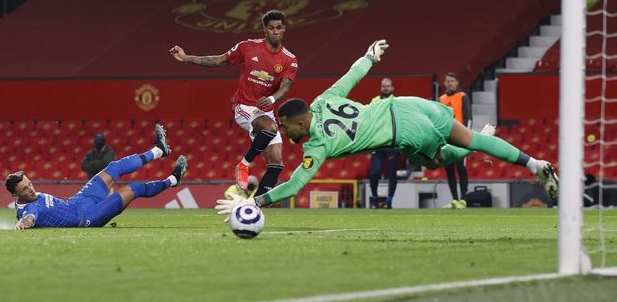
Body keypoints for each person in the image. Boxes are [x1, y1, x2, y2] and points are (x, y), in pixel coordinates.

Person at [216, 40, 559, 215]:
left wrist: (256, 202)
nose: (285, 134)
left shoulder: (317, 145)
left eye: (286, 127)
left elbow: (295, 185)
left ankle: (482, 143)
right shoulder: (322, 100)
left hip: (405, 132)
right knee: (470, 140)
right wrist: (370, 56)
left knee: (437, 161)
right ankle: (535, 164)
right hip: (410, 103)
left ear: (301, 122)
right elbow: (351, 77)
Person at [169, 10, 297, 197]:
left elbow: (286, 86)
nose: (275, 32)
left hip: (265, 110)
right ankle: (243, 165)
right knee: (270, 128)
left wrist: (271, 99)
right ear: (265, 30)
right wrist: (187, 57)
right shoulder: (247, 47)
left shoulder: (289, 59)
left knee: (276, 163)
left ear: (284, 29)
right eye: (271, 28)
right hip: (244, 107)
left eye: (279, 28)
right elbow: (220, 60)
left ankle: (256, 206)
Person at [6, 124, 187, 230]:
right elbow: (29, 217)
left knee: (114, 166)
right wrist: (24, 223)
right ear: (15, 194)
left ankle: (158, 151)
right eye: (24, 189)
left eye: (29, 183)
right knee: (134, 188)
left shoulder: (24, 199)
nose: (30, 189)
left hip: (79, 201)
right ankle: (173, 180)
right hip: (87, 217)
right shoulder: (29, 209)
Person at [439, 72, 472, 209]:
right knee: (449, 169)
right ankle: (454, 199)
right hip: (446, 139)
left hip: (460, 138)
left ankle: (463, 199)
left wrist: (467, 138)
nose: (450, 83)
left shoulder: (463, 96)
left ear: (457, 83)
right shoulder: (441, 99)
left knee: (461, 168)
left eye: (452, 81)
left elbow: (468, 118)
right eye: (448, 81)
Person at [369, 78, 399, 209]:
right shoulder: (374, 101)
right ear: (381, 88)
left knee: (392, 173)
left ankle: (389, 201)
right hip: (377, 142)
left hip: (392, 142)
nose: (385, 88)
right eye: (383, 86)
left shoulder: (396, 102)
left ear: (392, 88)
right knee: (374, 172)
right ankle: (375, 198)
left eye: (388, 86)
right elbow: (368, 119)